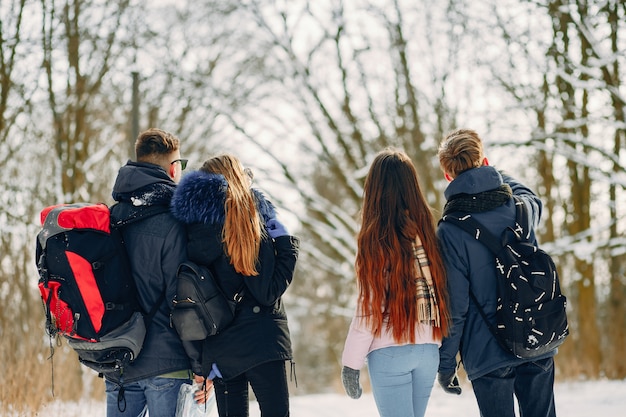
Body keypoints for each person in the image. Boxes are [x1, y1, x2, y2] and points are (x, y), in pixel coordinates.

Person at [436, 128, 557, 417]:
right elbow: (532, 197)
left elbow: (456, 305)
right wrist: (492, 173)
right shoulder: (519, 207)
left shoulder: (449, 230)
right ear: (485, 161)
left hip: (487, 351)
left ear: (447, 176)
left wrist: (446, 363)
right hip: (535, 335)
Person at [170, 153, 300, 417]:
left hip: (220, 349)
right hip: (261, 343)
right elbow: (266, 292)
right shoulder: (247, 223)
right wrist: (287, 248)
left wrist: (204, 358)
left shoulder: (192, 230)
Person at [340, 148, 452, 417]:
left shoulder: (374, 239)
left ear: (375, 190)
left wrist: (351, 363)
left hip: (390, 351)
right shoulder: (428, 234)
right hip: (428, 350)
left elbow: (370, 306)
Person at [106, 128, 198, 417]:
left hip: (119, 358)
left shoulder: (111, 217)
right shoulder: (174, 220)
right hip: (167, 360)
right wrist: (200, 363)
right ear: (173, 169)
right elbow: (182, 297)